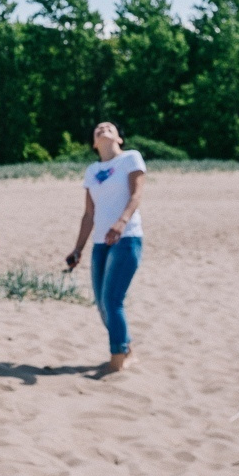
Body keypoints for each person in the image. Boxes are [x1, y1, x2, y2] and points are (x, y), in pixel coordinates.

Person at [64, 122, 146, 374]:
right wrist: (77, 249)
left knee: (113, 300)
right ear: (93, 143)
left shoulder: (131, 158)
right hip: (100, 243)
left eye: (109, 127)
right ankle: (127, 349)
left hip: (126, 238)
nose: (103, 129)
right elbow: (89, 214)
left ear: (119, 138)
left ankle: (117, 361)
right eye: (98, 129)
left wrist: (121, 223)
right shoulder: (92, 170)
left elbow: (136, 195)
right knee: (102, 304)